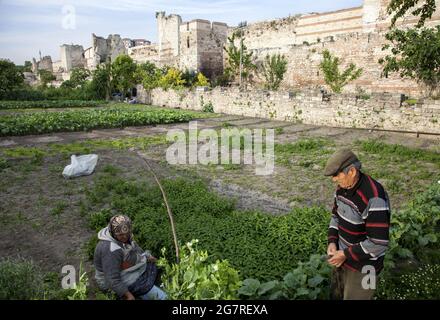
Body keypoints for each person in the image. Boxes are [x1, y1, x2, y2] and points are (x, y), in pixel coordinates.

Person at [324, 149, 391, 300]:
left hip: (366, 268)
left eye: (336, 175)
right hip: (342, 260)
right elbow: (336, 215)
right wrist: (332, 241)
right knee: (336, 295)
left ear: (352, 171)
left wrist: (344, 254)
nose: (334, 180)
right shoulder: (343, 188)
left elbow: (378, 243)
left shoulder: (374, 197)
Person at [94, 215, 167, 300]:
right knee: (164, 297)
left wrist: (147, 257)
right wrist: (128, 295)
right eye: (121, 235)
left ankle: (151, 287)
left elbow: (136, 251)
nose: (125, 237)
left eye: (127, 234)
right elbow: (112, 279)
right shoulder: (110, 250)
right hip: (111, 281)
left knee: (154, 264)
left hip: (125, 269)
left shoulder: (123, 237)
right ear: (113, 233)